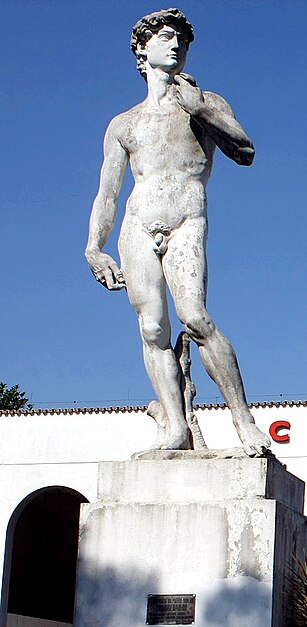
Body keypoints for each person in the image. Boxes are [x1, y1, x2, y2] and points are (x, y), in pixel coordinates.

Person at [84, 8, 270, 456]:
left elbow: (244, 151)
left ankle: (244, 422)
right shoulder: (124, 124)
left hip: (187, 217)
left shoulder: (207, 102)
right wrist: (94, 247)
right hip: (137, 224)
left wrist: (203, 110)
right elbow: (107, 193)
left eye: (181, 40)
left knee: (195, 318)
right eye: (166, 37)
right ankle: (175, 429)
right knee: (152, 330)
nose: (176, 45)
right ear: (142, 50)